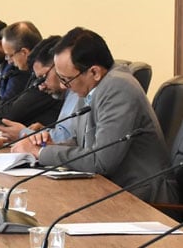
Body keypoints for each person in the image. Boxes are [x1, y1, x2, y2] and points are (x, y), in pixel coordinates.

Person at [12, 27, 177, 204]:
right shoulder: (92, 87)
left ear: (94, 72)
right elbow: (83, 142)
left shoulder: (118, 88)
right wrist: (52, 144)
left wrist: (41, 153)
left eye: (66, 79)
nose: (63, 87)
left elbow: (101, 161)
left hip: (145, 197)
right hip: (115, 189)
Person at [0, 35, 86, 141]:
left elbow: (68, 141)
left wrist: (24, 133)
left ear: (58, 65)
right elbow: (65, 135)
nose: (41, 87)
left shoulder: (78, 92)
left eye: (43, 77)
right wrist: (44, 132)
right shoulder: (68, 93)